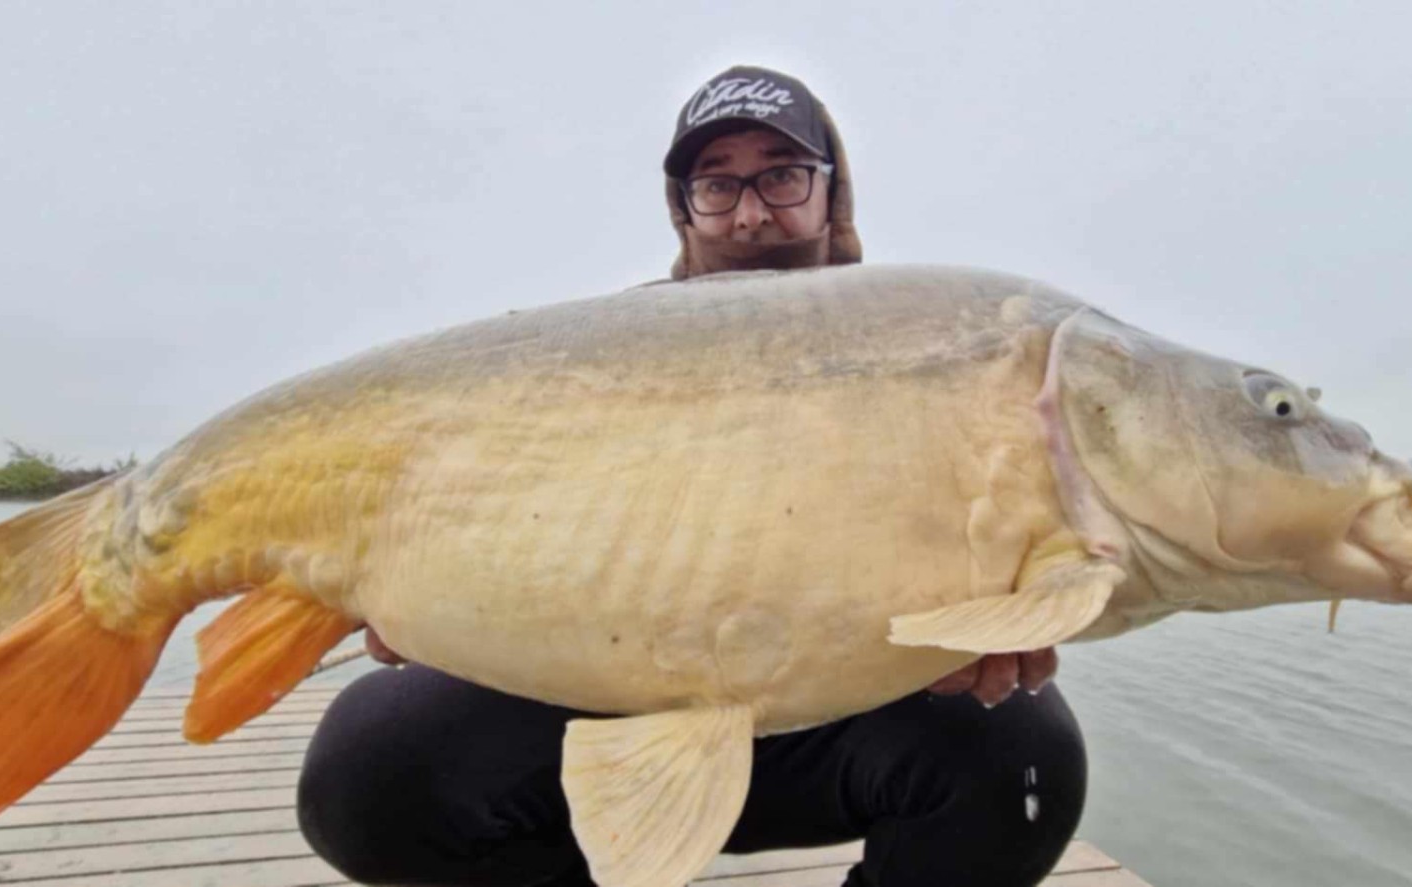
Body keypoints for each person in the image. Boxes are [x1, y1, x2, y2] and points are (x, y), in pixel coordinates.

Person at [297, 65, 1087, 887]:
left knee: (1027, 752)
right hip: (608, 704)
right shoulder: (609, 350)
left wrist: (1009, 605)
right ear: (684, 208)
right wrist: (428, 594)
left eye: (781, 175)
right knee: (368, 768)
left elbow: (1015, 523)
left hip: (846, 716)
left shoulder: (928, 350)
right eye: (718, 184)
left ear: (829, 190)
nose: (750, 211)